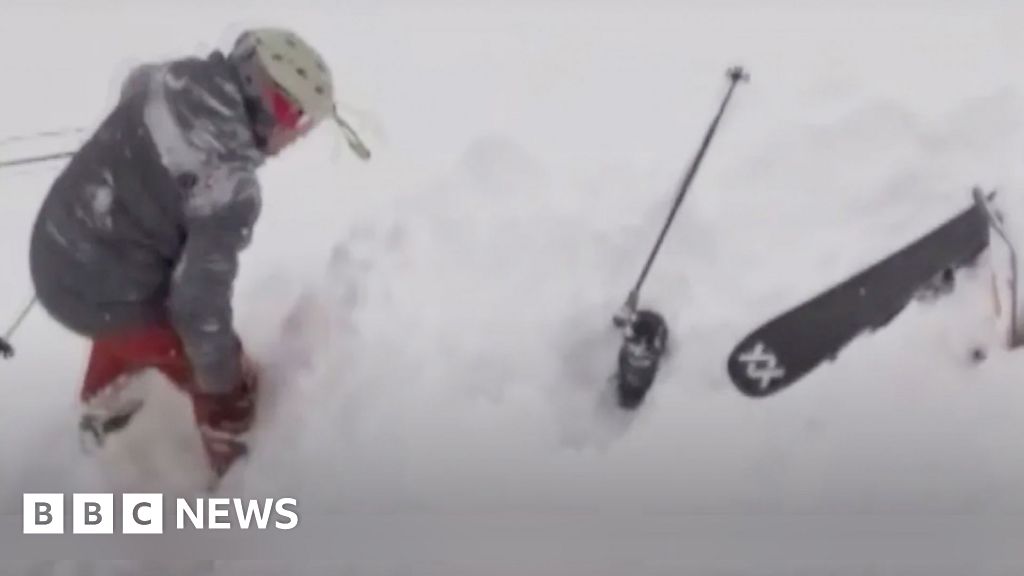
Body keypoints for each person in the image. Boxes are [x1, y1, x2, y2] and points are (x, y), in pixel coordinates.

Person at [29, 28, 339, 480]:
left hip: (55, 251)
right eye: (295, 117)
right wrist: (226, 387)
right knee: (208, 360)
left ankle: (105, 406)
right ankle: (237, 471)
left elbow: (135, 83)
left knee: (122, 307)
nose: (296, 137)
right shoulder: (230, 186)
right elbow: (198, 307)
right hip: (101, 284)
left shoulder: (172, 77)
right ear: (267, 105)